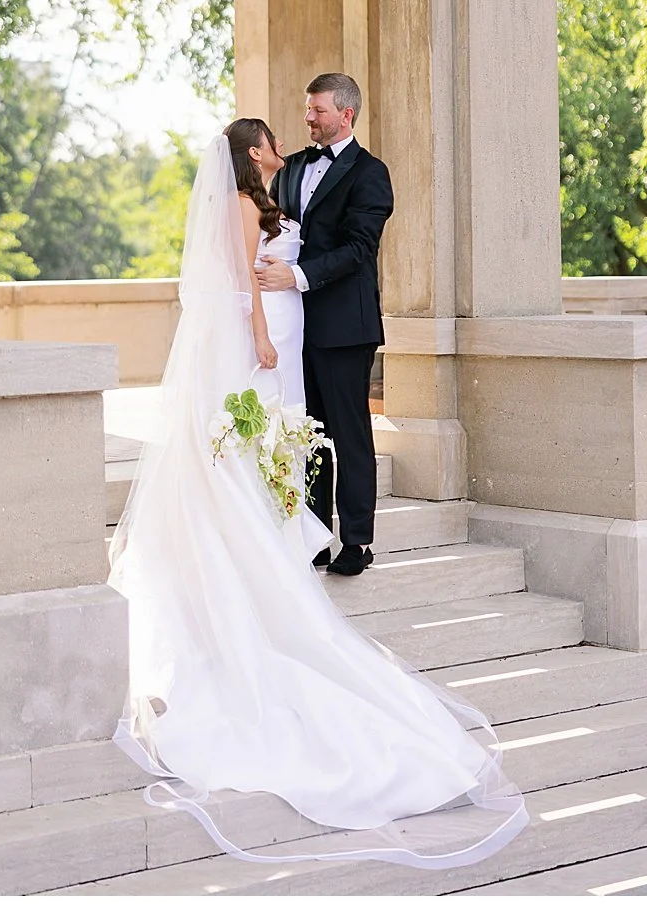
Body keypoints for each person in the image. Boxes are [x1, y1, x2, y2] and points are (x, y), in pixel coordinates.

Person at [104, 108, 526, 869]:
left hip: (302, 329)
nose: (290, 137)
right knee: (258, 449)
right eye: (273, 133)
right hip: (262, 336)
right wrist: (263, 331)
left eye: (310, 115)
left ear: (346, 111)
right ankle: (273, 548)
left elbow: (347, 247)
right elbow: (236, 279)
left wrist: (282, 298)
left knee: (297, 445)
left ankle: (324, 537)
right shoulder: (249, 197)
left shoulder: (331, 178)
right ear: (252, 152)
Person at [255, 73, 390, 576]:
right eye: (308, 109)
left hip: (344, 327)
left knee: (348, 434)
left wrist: (297, 275)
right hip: (294, 328)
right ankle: (313, 535)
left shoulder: (371, 173)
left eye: (318, 111)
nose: (309, 118)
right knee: (305, 433)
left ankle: (357, 542)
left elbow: (359, 249)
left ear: (346, 115)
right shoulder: (289, 169)